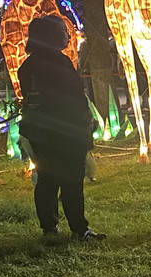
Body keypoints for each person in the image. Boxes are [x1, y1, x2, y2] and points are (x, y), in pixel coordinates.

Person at [18, 16, 104, 241]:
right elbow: (73, 96)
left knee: (46, 178)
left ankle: (49, 226)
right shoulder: (59, 62)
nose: (68, 34)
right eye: (64, 30)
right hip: (65, 130)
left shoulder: (27, 66)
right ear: (50, 36)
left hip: (38, 131)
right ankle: (79, 229)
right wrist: (86, 119)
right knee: (72, 179)